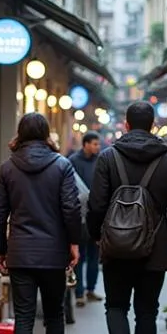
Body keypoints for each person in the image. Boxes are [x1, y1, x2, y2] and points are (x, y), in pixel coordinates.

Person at [87, 101, 167, 334]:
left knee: (116, 306)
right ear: (154, 125)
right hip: (154, 250)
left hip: (116, 248)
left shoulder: (108, 157)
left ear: (127, 125)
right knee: (147, 312)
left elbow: (95, 204)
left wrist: (97, 236)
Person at [0, 113, 81, 334]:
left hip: (20, 252)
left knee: (24, 317)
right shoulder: (62, 165)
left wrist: (2, 249)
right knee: (54, 316)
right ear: (46, 135)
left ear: (20, 134)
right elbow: (71, 208)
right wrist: (74, 243)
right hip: (53, 253)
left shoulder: (8, 168)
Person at [69, 131, 102, 306]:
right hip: (79, 215)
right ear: (86, 144)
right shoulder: (73, 161)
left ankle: (91, 289)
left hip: (96, 214)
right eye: (95, 144)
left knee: (94, 255)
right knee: (79, 256)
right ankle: (79, 291)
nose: (98, 147)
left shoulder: (101, 160)